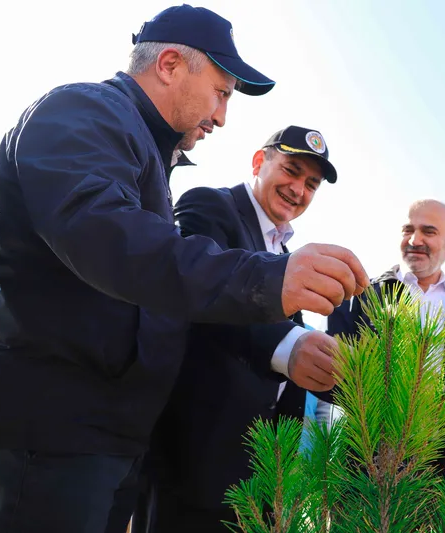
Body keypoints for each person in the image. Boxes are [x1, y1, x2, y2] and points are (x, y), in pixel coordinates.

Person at [0, 6, 368, 533]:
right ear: (169, 64)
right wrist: (268, 281)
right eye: (222, 92)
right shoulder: (80, 113)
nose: (223, 115)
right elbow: (115, 242)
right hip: (52, 434)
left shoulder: (144, 153)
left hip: (108, 441)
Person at [136, 126, 340, 531]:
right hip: (191, 464)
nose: (298, 189)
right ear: (259, 161)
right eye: (291, 170)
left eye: (311, 184)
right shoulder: (211, 207)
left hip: (255, 480)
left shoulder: (285, 255)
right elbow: (206, 294)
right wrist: (291, 344)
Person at [327, 199, 445, 410]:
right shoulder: (362, 295)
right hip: (372, 440)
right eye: (408, 230)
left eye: (429, 232)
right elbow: (327, 366)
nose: (415, 241)